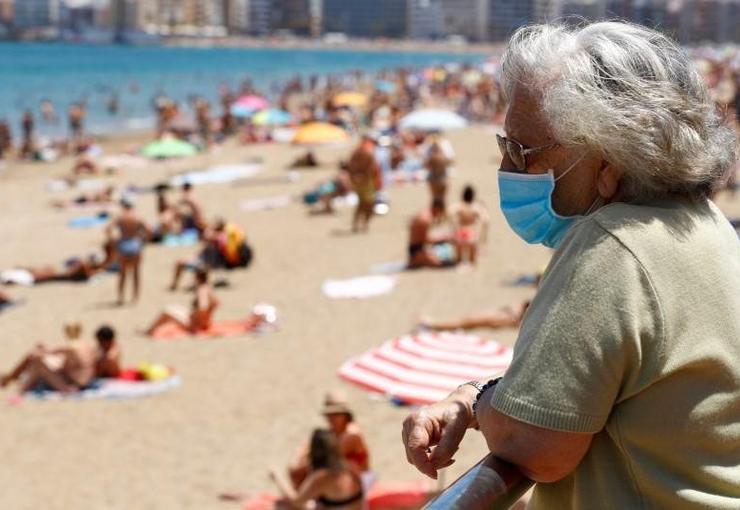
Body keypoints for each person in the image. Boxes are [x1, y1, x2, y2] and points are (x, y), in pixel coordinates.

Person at [402, 21, 740, 509]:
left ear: (608, 162)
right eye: (504, 147)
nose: (507, 169)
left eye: (521, 151)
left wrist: (477, 401)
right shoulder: (704, 224)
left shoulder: (612, 246)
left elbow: (533, 444)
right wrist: (477, 399)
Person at [1, 324, 122, 394]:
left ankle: (12, 380)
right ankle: (12, 378)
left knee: (35, 357)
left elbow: (102, 365)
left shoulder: (109, 354)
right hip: (77, 379)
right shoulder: (93, 348)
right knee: (39, 357)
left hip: (74, 384)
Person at [288, 391, 371, 490]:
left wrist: (302, 466)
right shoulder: (333, 432)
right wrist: (301, 457)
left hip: (359, 480)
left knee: (312, 472)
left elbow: (327, 458)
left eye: (336, 414)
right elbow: (309, 449)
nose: (331, 418)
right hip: (344, 478)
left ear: (345, 415)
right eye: (329, 415)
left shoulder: (352, 434)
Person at [271, 429, 365, 510]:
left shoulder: (321, 477)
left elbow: (296, 501)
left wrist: (277, 478)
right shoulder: (351, 466)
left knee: (282, 505)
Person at [169, 219, 252, 290]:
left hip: (209, 263)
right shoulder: (225, 237)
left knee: (183, 264)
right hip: (207, 261)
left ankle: (174, 286)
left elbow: (208, 237)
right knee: (183, 263)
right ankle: (175, 285)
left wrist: (209, 231)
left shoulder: (220, 237)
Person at [146, 268, 220, 335]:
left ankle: (149, 331)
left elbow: (203, 307)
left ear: (197, 278)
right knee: (174, 307)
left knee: (166, 312)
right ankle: (150, 330)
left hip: (195, 324)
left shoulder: (201, 290)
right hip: (205, 322)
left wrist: (196, 319)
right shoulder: (208, 287)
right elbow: (215, 303)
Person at [107, 197, 150, 305]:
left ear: (123, 206)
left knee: (122, 274)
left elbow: (108, 229)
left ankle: (121, 298)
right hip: (135, 244)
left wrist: (114, 242)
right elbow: (149, 230)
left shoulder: (120, 217)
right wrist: (143, 240)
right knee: (136, 273)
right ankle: (135, 298)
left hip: (123, 244)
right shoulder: (137, 217)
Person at [417, 301, 530, 332]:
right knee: (465, 321)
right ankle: (431, 323)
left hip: (508, 317)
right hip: (511, 315)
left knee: (465, 322)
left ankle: (431, 324)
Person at [407, 200, 456, 269]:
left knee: (445, 259)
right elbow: (425, 240)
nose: (439, 215)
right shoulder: (425, 219)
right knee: (441, 263)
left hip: (417, 247)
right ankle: (416, 260)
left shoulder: (424, 214)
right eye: (440, 212)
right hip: (417, 251)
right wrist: (443, 239)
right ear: (437, 209)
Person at [347, 136, 381, 233]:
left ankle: (359, 224)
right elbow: (372, 169)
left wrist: (354, 177)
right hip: (366, 181)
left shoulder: (357, 152)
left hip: (361, 180)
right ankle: (363, 224)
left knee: (362, 203)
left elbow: (351, 166)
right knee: (367, 204)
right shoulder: (366, 152)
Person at [449, 185, 489, 265]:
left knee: (457, 261)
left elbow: (449, 213)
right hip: (471, 234)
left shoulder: (459, 205)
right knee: (472, 262)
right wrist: (482, 237)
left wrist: (453, 229)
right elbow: (486, 220)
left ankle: (459, 265)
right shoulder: (475, 207)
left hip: (460, 233)